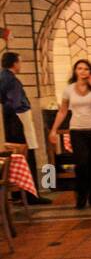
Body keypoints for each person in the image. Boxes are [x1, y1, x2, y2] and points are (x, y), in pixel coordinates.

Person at [48, 59, 91, 208]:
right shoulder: (69, 89)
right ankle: (81, 196)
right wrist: (54, 130)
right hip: (77, 131)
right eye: (79, 68)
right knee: (81, 164)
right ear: (75, 71)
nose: (83, 71)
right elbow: (63, 111)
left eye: (86, 69)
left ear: (90, 71)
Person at [0, 50, 52, 205]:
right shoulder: (12, 80)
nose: (21, 65)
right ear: (15, 63)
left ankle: (17, 194)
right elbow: (16, 104)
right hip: (18, 121)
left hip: (8, 123)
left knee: (14, 156)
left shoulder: (2, 77)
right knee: (26, 155)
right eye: (20, 61)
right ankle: (30, 194)